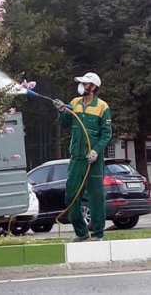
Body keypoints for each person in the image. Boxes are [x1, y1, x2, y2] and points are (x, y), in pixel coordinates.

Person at [52, 72, 112, 242]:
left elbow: (106, 134)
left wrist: (96, 150)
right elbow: (65, 124)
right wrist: (62, 111)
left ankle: (98, 234)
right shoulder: (74, 103)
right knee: (71, 195)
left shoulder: (102, 107)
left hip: (94, 159)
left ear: (93, 87)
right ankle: (81, 232)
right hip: (77, 158)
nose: (82, 86)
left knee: (96, 196)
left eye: (85, 83)